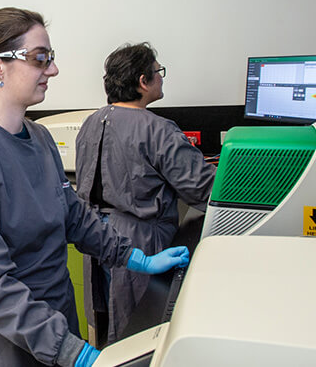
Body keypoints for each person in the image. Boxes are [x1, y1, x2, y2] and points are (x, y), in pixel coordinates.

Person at [0, 8, 190, 367]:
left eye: (51, 57)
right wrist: (71, 352)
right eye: (40, 58)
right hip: (7, 337)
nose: (52, 69)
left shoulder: (39, 138)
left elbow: (75, 216)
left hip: (58, 316)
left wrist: (135, 257)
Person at [75, 42, 216, 343]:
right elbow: (202, 189)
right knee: (138, 334)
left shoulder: (89, 123)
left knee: (106, 325)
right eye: (158, 72)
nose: (161, 78)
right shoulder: (159, 129)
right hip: (140, 243)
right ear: (143, 81)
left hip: (96, 236)